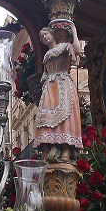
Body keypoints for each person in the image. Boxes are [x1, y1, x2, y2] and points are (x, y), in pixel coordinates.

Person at [33, 22, 83, 162]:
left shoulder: (64, 46)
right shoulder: (47, 55)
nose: (44, 38)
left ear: (52, 35)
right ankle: (46, 152)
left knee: (65, 116)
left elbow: (77, 50)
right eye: (42, 37)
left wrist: (73, 30)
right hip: (50, 87)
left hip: (63, 84)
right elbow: (45, 74)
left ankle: (66, 151)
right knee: (46, 119)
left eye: (46, 34)